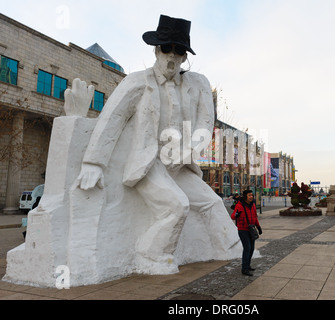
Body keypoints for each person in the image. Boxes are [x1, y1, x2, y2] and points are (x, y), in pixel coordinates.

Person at [75, 15, 239, 272]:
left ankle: (232, 250)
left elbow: (206, 124)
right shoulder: (137, 82)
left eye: (178, 50)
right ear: (156, 50)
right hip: (148, 164)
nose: (171, 56)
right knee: (176, 206)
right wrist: (93, 162)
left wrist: (189, 150)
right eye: (166, 49)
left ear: (185, 56)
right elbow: (112, 119)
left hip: (179, 165)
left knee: (213, 203)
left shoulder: (197, 84)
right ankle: (151, 254)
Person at [231, 190, 262, 276]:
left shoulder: (253, 205)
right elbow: (233, 216)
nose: (251, 197)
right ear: (245, 197)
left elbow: (255, 217)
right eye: (249, 195)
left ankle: (248, 265)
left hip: (251, 229)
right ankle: (244, 268)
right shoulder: (239, 205)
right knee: (247, 248)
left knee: (251, 248)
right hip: (243, 230)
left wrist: (258, 227)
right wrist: (236, 215)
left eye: (252, 195)